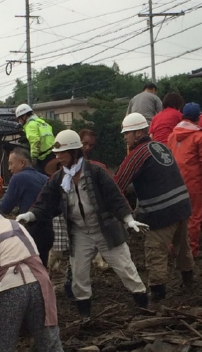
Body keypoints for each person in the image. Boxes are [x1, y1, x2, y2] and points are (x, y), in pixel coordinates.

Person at [17, 129, 149, 318]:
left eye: (62, 153)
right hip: (79, 232)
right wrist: (29, 216)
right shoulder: (59, 179)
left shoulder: (96, 172)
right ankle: (85, 318)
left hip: (105, 229)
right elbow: (44, 203)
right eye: (57, 154)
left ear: (74, 152)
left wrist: (128, 219)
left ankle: (144, 307)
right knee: (79, 277)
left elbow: (114, 197)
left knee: (126, 269)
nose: (58, 158)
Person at [115, 113, 194, 302]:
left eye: (128, 133)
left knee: (155, 252)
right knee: (183, 247)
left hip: (161, 213)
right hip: (182, 206)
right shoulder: (160, 147)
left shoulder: (137, 154)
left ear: (139, 132)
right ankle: (190, 285)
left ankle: (158, 298)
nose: (125, 137)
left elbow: (118, 184)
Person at [0, 216, 74, 352]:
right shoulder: (14, 225)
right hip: (39, 283)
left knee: (2, 345)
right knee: (47, 337)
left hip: (8, 287)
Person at [167, 102, 202, 259]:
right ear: (198, 117)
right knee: (195, 217)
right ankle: (193, 251)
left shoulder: (172, 135)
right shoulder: (199, 136)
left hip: (174, 182)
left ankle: (172, 248)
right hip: (193, 182)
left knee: (176, 216)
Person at [0, 147, 54, 268]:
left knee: (29, 270)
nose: (9, 168)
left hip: (31, 231)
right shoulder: (44, 178)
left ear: (22, 163)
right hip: (48, 231)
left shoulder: (18, 178)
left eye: (10, 164)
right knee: (41, 267)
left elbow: (4, 208)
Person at [15, 104, 57, 175]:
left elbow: (35, 141)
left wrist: (33, 159)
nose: (19, 121)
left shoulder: (30, 125)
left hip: (43, 158)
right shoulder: (42, 123)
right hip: (53, 154)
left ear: (24, 116)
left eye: (19, 118)